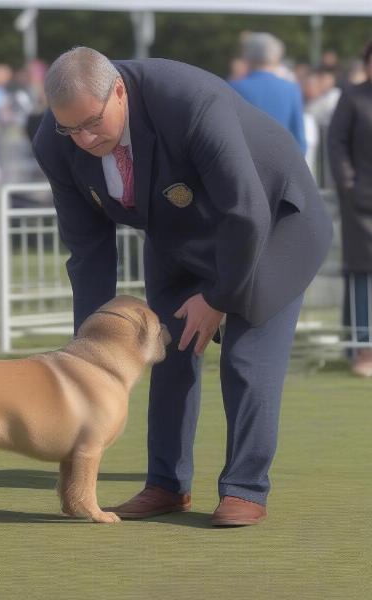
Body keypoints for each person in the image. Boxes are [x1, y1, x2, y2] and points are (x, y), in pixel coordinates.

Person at [32, 47, 332, 526]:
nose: (83, 139)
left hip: (273, 227)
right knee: (166, 351)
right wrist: (88, 346)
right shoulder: (55, 141)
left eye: (92, 122)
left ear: (119, 91)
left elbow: (246, 210)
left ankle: (244, 488)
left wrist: (218, 298)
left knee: (246, 358)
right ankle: (167, 485)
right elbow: (88, 251)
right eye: (70, 128)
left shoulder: (191, 102)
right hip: (178, 235)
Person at [328, 40, 372, 377]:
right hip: (361, 203)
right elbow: (337, 143)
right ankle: (363, 350)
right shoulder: (353, 97)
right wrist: (349, 185)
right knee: (361, 273)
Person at [230, 32, 307, 154]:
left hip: (245, 162)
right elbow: (299, 138)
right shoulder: (291, 89)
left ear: (247, 57)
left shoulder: (233, 87)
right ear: (276, 57)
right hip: (283, 160)